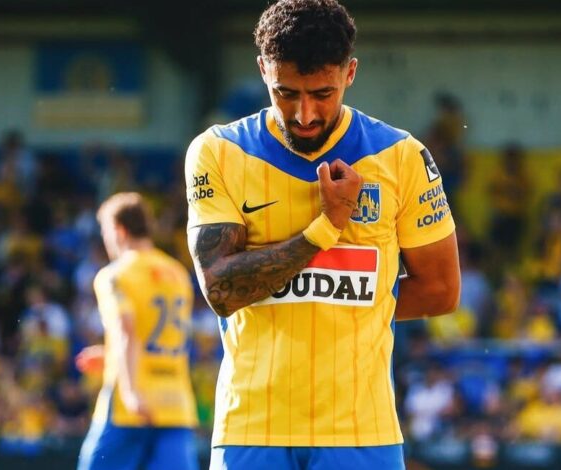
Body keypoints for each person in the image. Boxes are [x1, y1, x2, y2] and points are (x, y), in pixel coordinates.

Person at [184, 1, 461, 468]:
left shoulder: (402, 156)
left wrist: (344, 317)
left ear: (350, 73)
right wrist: (325, 229)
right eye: (285, 93)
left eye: (322, 93)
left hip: (361, 431)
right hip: (251, 429)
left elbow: (440, 290)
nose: (305, 114)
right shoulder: (218, 151)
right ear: (263, 71)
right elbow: (221, 290)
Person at [77, 192, 199, 470]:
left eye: (105, 232)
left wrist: (131, 390)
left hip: (129, 407)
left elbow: (127, 330)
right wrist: (110, 356)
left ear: (119, 230)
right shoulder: (177, 273)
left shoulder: (115, 275)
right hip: (175, 403)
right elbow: (161, 336)